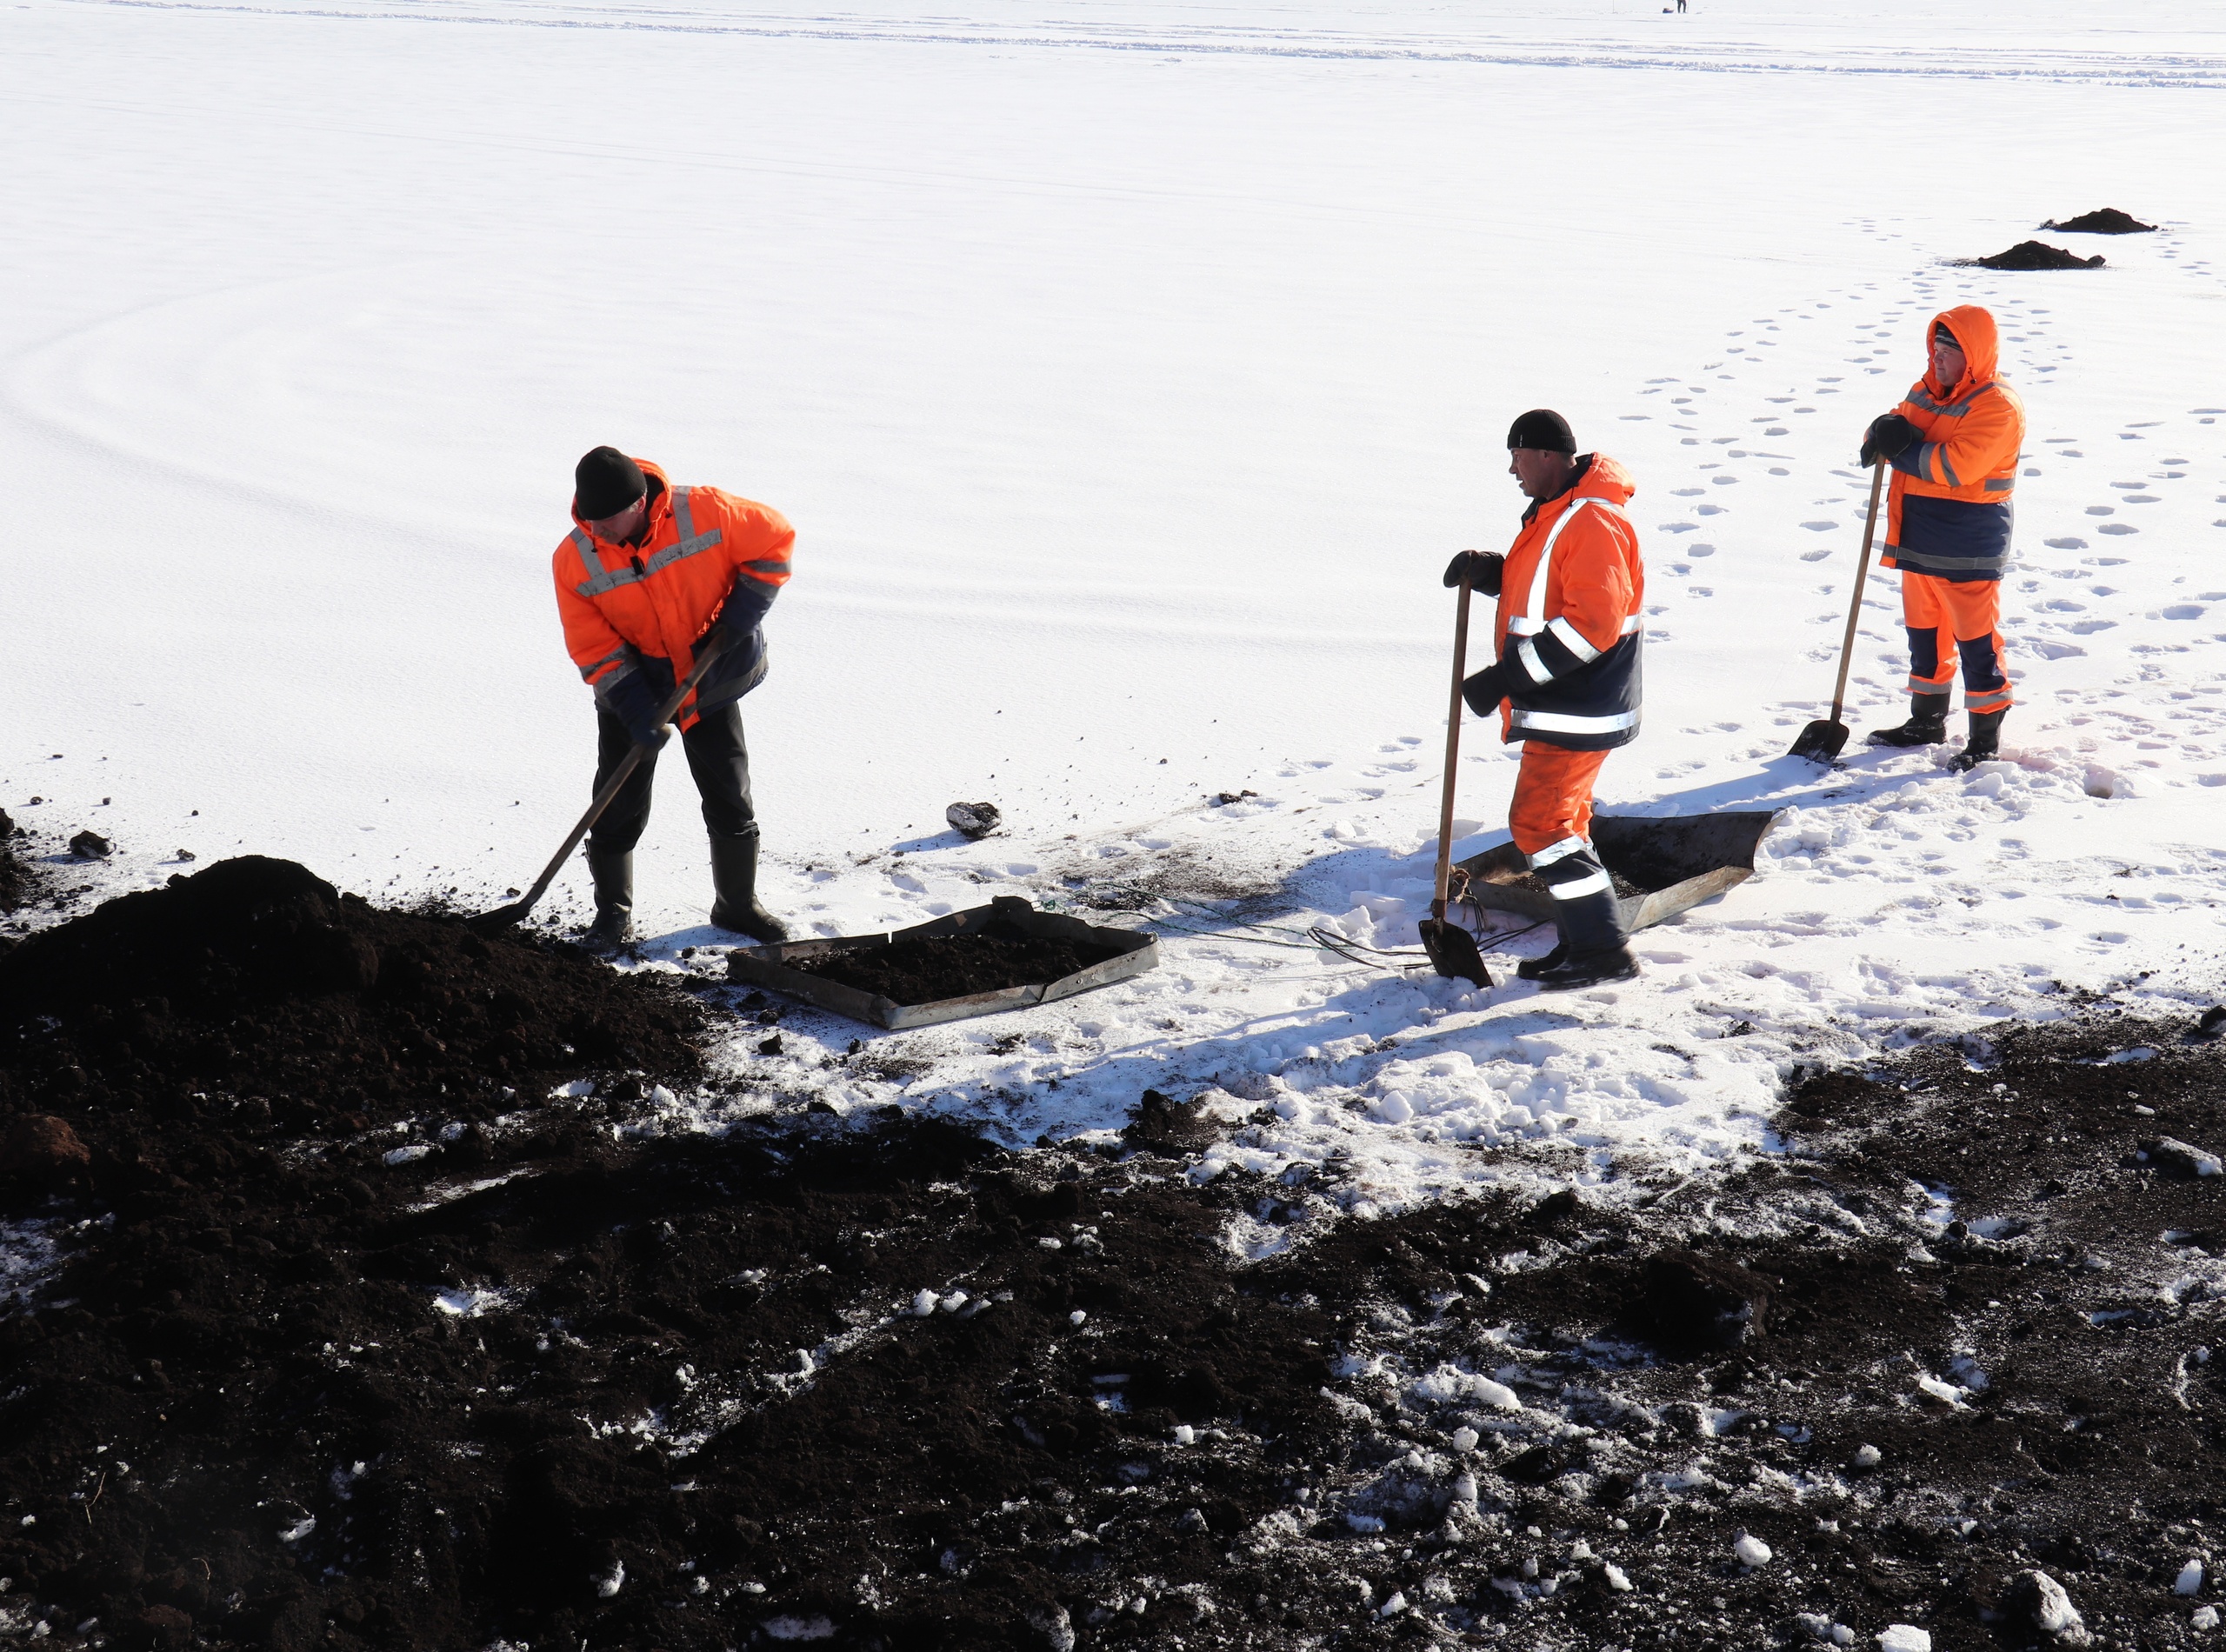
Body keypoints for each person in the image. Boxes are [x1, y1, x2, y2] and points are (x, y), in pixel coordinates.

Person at [553, 446, 795, 951]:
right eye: (588, 520)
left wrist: (741, 611)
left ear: (639, 504)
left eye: (606, 520)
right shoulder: (574, 559)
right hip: (634, 688)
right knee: (616, 803)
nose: (596, 532)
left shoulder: (706, 513)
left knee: (730, 793)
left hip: (709, 677)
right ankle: (612, 915)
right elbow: (593, 645)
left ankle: (737, 905)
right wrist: (635, 706)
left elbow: (773, 538)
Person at [1443, 410, 1646, 991]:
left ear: (1548, 455)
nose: (1512, 468)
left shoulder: (1591, 521)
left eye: (1518, 454)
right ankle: (1586, 942)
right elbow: (1546, 590)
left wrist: (1505, 677)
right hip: (1571, 705)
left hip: (1579, 706)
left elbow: (1592, 625)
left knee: (1539, 824)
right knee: (1563, 824)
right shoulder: (1559, 515)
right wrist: (1494, 575)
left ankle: (1604, 949)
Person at [1857, 305, 2025, 771]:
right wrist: (1880, 431)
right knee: (1925, 636)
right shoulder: (1928, 390)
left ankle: (1985, 734)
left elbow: (1954, 467)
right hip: (1918, 537)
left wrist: (1901, 447)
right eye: (1935, 347)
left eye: (1948, 350)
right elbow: (1894, 424)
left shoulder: (1996, 406)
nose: (1938, 358)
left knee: (1976, 641)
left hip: (1966, 544)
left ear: (1971, 354)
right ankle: (1926, 720)